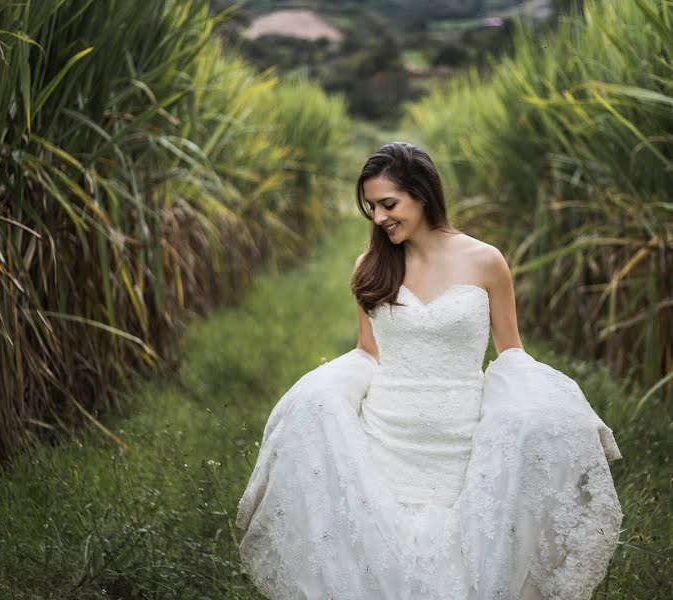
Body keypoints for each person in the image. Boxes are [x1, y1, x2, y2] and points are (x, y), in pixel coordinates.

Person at [235, 142, 623, 600]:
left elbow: (511, 352)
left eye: (388, 204)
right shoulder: (371, 266)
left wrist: (556, 410)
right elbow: (368, 351)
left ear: (422, 194)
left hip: (460, 440)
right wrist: (319, 391)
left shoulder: (485, 261)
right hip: (388, 438)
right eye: (372, 207)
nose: (378, 218)